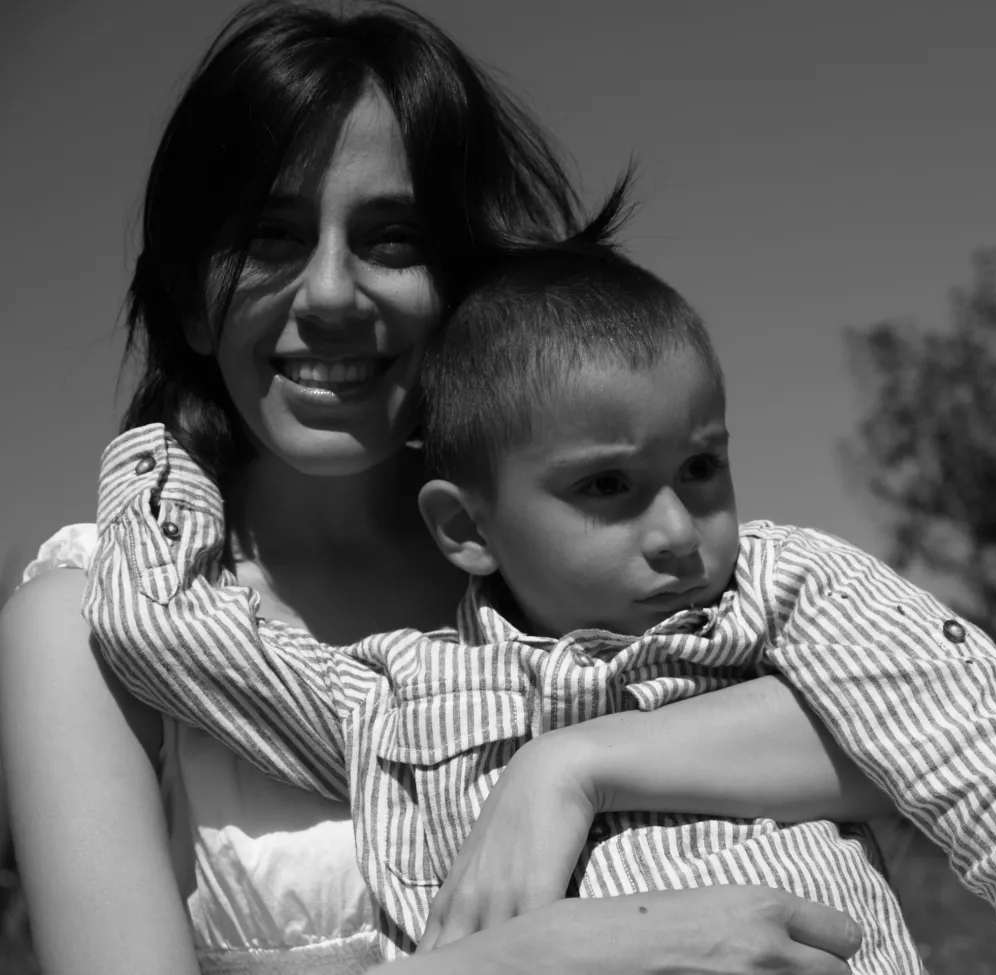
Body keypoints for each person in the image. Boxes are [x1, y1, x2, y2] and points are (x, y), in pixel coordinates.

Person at [82, 193, 996, 975]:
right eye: (606, 487)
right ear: (465, 528)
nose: (675, 532)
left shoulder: (778, 589)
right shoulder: (401, 691)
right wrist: (172, 440)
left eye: (701, 467)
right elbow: (164, 632)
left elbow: (978, 741)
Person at [0, 3, 888, 973]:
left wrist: (571, 765)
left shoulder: (573, 535)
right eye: (270, 237)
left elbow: (900, 724)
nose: (330, 295)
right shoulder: (87, 623)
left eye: (392, 240)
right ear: (190, 300)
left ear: (464, 284)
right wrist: (552, 956)